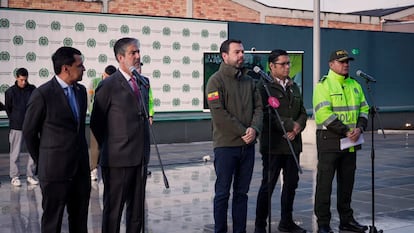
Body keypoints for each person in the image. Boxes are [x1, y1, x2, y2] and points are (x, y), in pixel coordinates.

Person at [22, 46, 91, 233]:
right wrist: (43, 160)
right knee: (53, 222)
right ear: (66, 68)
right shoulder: (42, 94)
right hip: (54, 172)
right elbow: (29, 132)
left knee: (80, 221)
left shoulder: (81, 91)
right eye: (80, 65)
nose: (84, 68)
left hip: (80, 171)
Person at [90, 37, 151, 233]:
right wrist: (101, 155)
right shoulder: (108, 86)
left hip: (140, 157)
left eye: (138, 52)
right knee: (113, 211)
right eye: (133, 53)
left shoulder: (143, 82)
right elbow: (96, 124)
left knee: (137, 212)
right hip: (117, 160)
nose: (138, 56)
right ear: (120, 57)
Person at [206, 39, 263, 233]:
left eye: (242, 51)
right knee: (222, 193)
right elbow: (219, 114)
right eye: (237, 52)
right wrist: (243, 131)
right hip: (226, 146)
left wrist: (254, 129)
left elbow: (259, 108)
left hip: (247, 146)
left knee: (242, 193)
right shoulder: (215, 80)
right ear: (225, 56)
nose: (241, 56)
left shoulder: (249, 81)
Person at [313, 49, 369, 233]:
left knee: (347, 184)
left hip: (351, 143)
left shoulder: (355, 85)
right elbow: (323, 114)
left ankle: (346, 220)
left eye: (347, 61)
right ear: (331, 64)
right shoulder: (323, 85)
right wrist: (346, 131)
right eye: (342, 61)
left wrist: (359, 127)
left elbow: (364, 109)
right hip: (330, 141)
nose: (346, 64)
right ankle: (323, 223)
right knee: (324, 185)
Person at [254, 49, 307, 233]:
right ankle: (260, 224)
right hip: (274, 145)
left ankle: (287, 221)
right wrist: (289, 125)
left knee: (291, 184)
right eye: (283, 64)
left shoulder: (294, 86)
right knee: (268, 185)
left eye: (288, 63)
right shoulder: (263, 86)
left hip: (293, 144)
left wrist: (298, 126)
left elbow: (302, 111)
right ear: (272, 66)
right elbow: (267, 113)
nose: (287, 67)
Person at [5, 67, 37, 187]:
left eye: (25, 80)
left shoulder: (33, 89)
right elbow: (8, 108)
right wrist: (14, 119)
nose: (24, 82)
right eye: (21, 80)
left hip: (31, 126)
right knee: (15, 153)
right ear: (17, 78)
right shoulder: (10, 92)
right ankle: (15, 177)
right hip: (16, 126)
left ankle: (30, 175)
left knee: (33, 152)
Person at [88, 64, 116, 182]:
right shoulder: (94, 82)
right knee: (95, 146)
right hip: (96, 118)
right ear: (104, 74)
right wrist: (94, 115)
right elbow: (89, 101)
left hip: (110, 120)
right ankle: (93, 169)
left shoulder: (115, 84)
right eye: (107, 77)